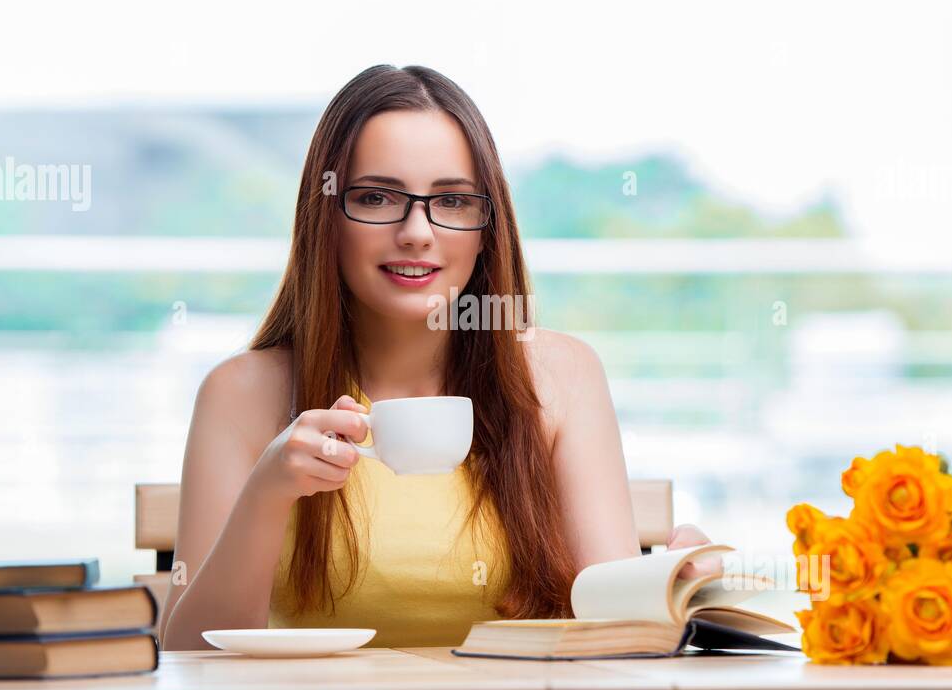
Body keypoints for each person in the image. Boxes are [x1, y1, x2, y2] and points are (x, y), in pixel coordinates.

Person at [159, 64, 714, 651]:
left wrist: (673, 591)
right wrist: (267, 495)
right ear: (325, 216)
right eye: (376, 197)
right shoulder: (241, 394)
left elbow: (617, 628)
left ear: (486, 227)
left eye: (451, 201)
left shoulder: (563, 377)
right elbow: (191, 656)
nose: (417, 232)